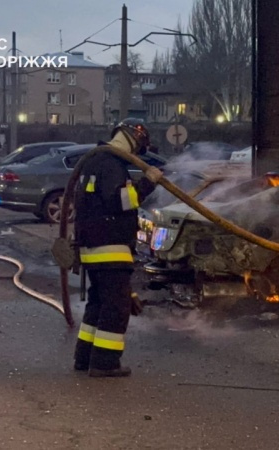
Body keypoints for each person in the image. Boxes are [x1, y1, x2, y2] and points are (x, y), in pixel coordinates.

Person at [73, 118, 163, 377]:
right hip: (110, 246)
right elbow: (119, 201)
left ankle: (85, 357)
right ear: (135, 139)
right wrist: (147, 182)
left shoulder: (94, 161)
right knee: (116, 307)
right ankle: (105, 363)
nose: (136, 155)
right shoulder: (112, 164)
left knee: (98, 303)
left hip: (92, 248)